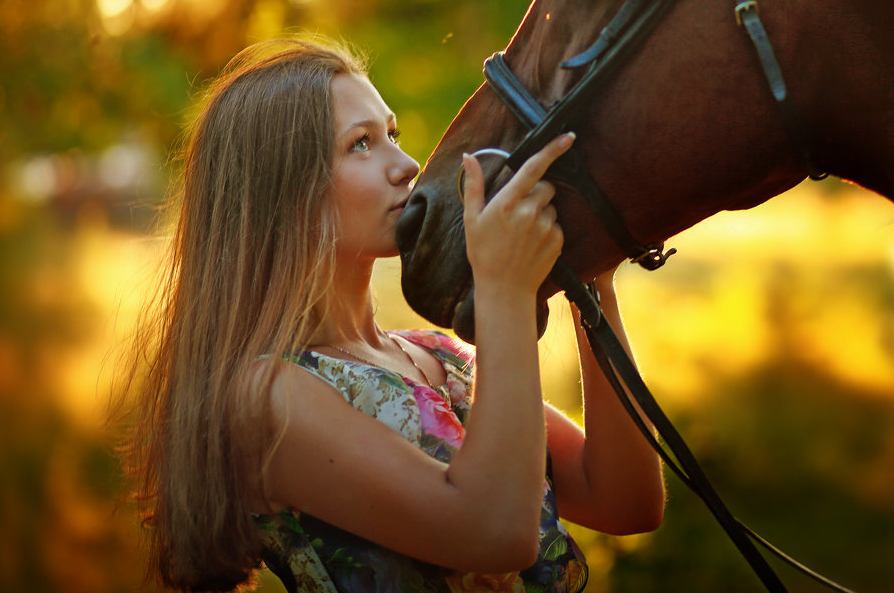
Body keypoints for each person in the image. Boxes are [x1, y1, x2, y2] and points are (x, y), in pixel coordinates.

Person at [117, 37, 664, 592]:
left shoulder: (439, 357)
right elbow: (496, 533)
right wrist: (504, 289)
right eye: (360, 144)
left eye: (393, 135)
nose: (406, 166)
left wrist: (592, 281)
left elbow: (625, 501)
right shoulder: (268, 396)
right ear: (282, 191)